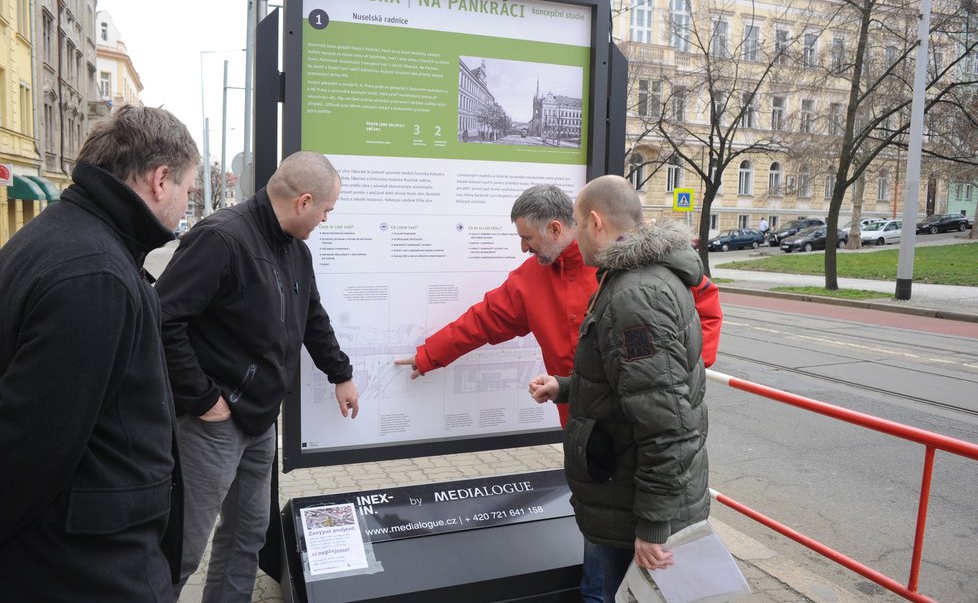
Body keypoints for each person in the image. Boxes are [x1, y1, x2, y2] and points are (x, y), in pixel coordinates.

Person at [0, 106, 199, 601]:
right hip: (88, 567)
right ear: (159, 180)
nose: (186, 203)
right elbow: (29, 446)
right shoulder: (95, 274)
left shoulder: (61, 236)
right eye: (188, 189)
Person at [156, 151, 360, 602]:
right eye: (326, 211)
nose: (325, 220)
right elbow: (162, 319)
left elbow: (311, 317)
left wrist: (339, 374)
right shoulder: (221, 239)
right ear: (304, 202)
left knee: (248, 536)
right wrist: (203, 398)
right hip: (213, 424)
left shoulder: (295, 251)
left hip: (260, 420)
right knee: (183, 548)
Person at [395, 184, 721, 430]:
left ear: (554, 228)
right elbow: (482, 321)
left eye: (527, 238)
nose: (523, 248)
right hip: (577, 422)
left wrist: (683, 372)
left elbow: (705, 306)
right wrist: (429, 355)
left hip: (640, 422)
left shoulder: (631, 264)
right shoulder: (529, 279)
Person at [529, 175, 709, 602]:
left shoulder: (636, 296)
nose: (575, 238)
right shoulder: (635, 279)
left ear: (594, 222)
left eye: (575, 222)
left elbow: (666, 422)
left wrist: (652, 527)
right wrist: (567, 387)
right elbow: (636, 382)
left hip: (634, 508)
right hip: (624, 495)